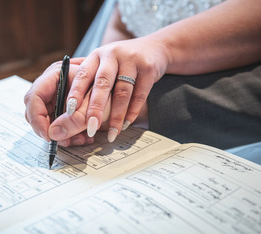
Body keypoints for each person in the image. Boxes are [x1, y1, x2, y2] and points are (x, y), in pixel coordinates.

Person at [24, 0, 261, 162]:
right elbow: (123, 21)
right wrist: (101, 80)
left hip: (217, 109)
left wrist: (160, 48)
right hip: (133, 101)